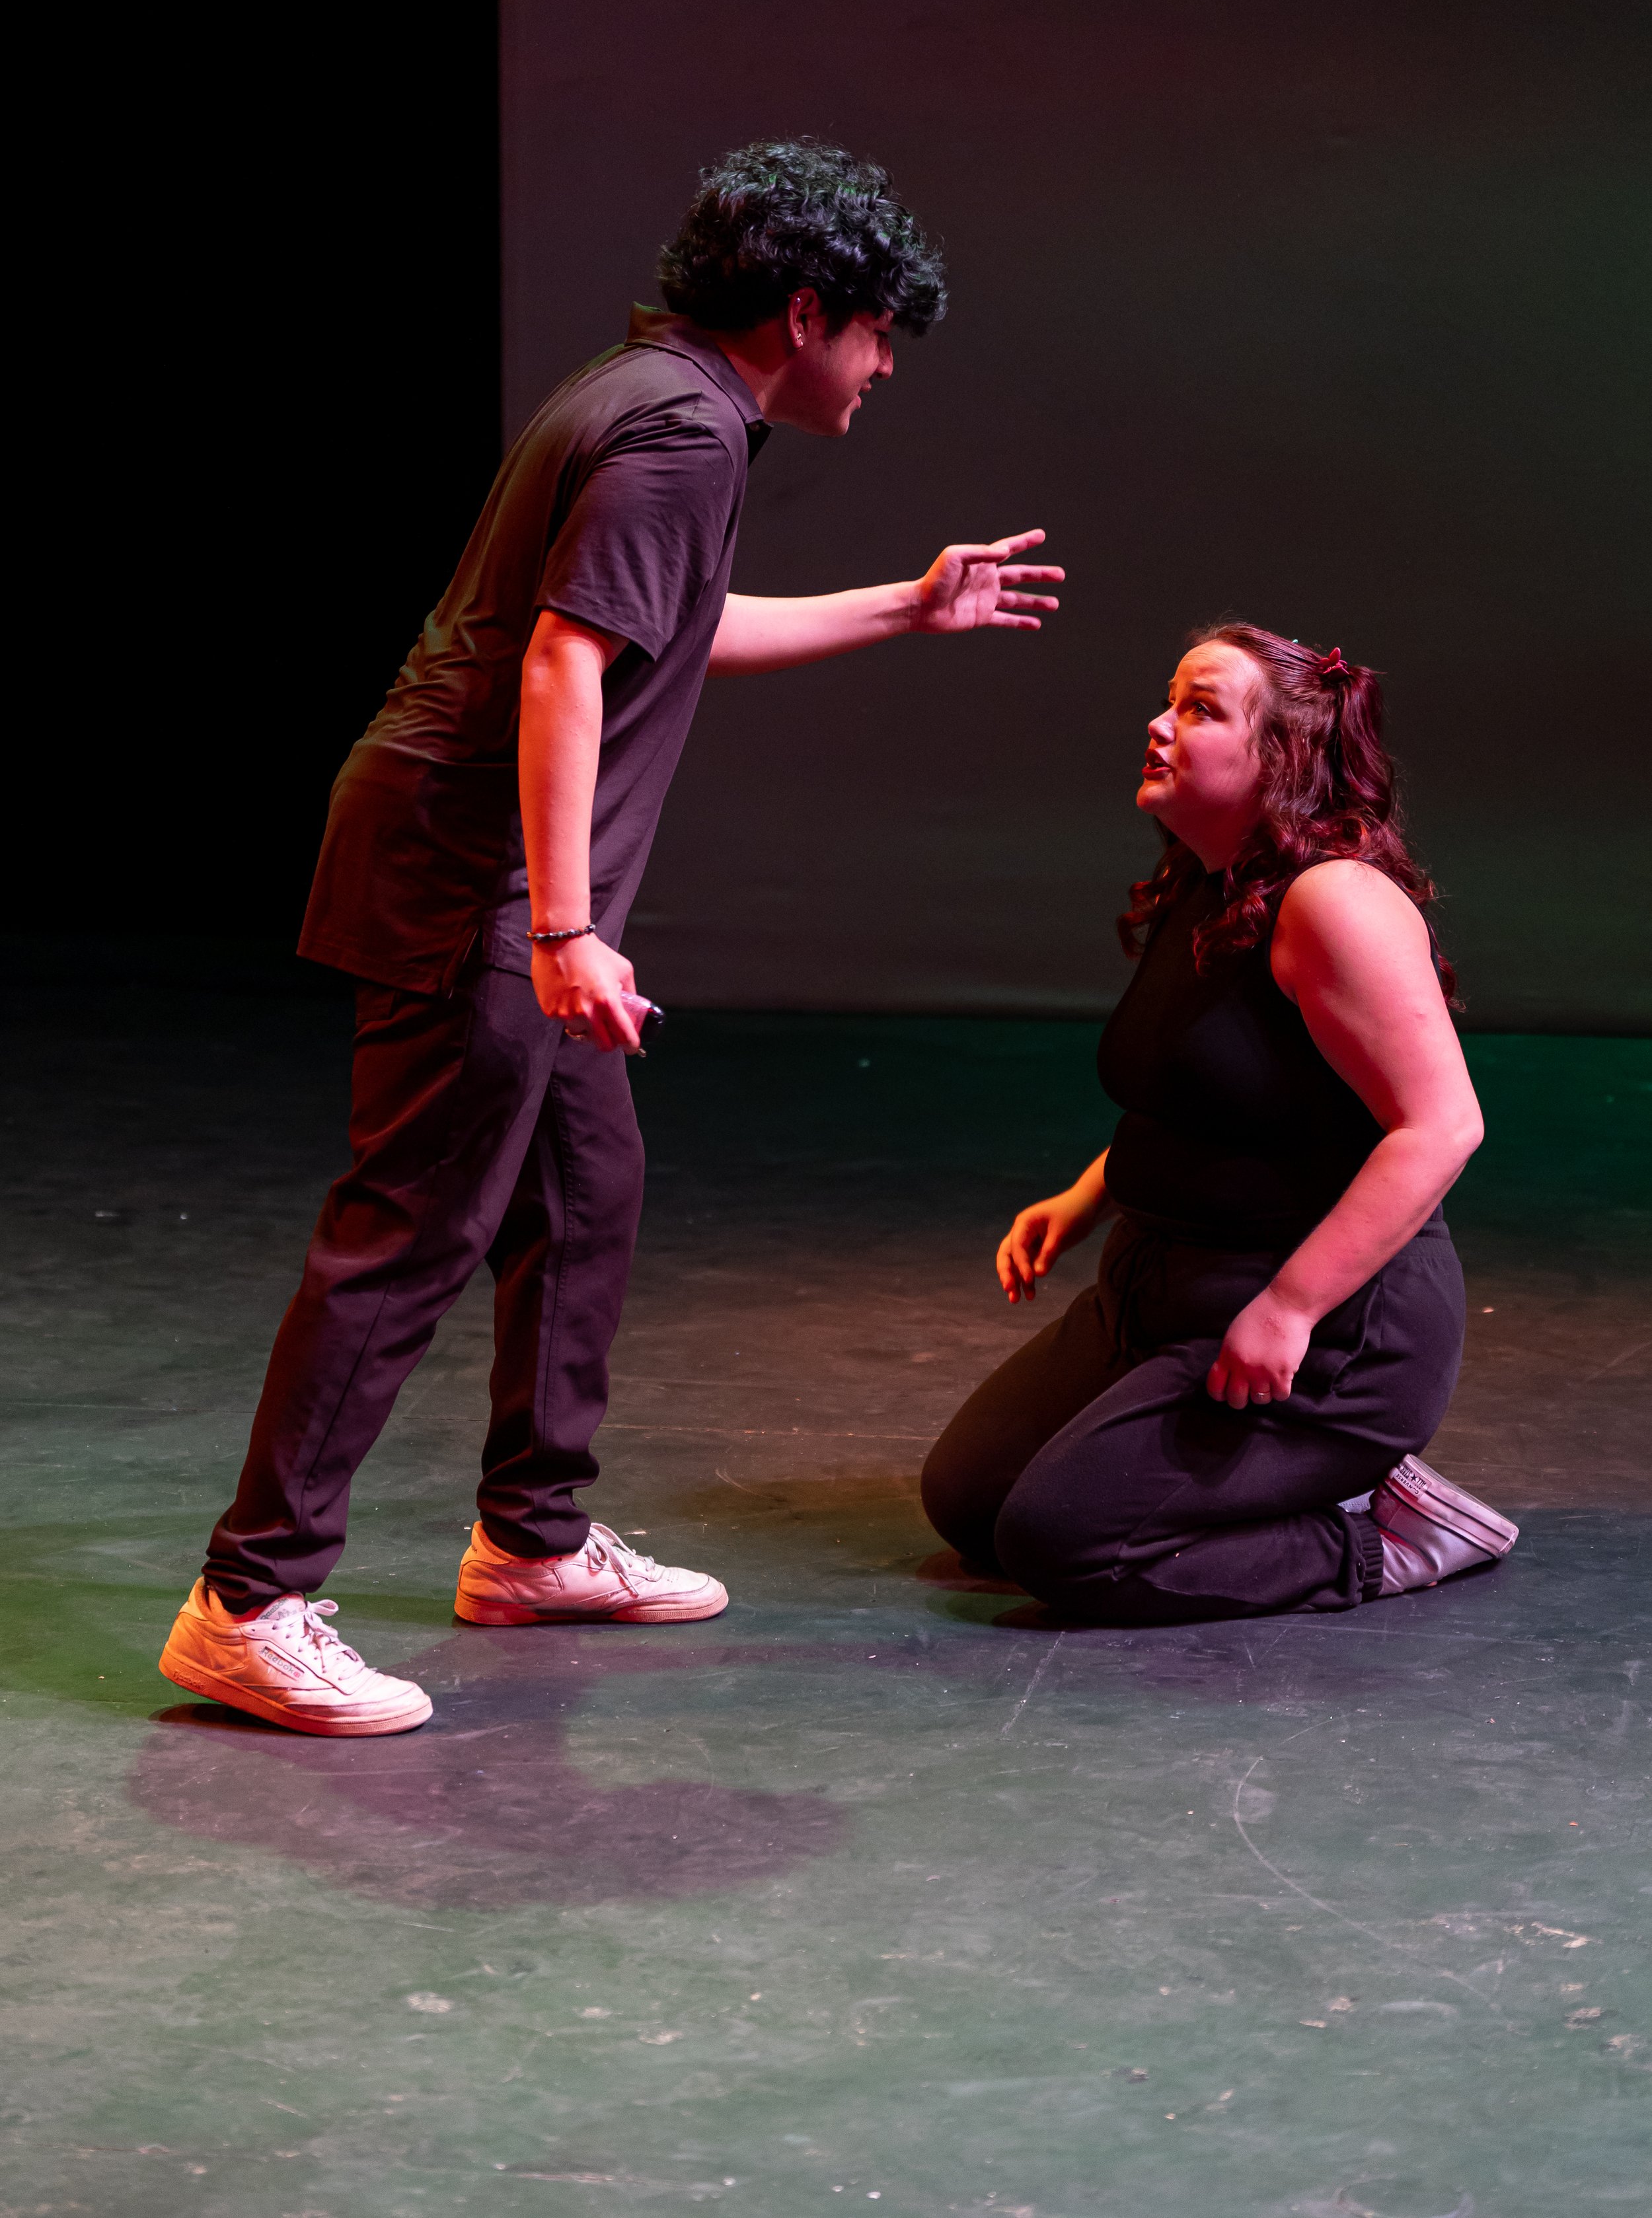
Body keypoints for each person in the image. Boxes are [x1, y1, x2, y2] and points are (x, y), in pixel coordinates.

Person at [160, 139, 1064, 1735]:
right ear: (804, 313)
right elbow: (567, 666)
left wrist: (905, 608)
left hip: (491, 873)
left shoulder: (653, 394)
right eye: (873, 341)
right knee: (411, 1231)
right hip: (474, 880)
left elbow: (666, 624)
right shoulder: (680, 432)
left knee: (586, 1189)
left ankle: (532, 1540)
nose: (875, 375)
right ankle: (251, 1599)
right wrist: (565, 927)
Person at [920, 623, 1518, 1624]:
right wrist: (1079, 1201)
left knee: (1062, 1544)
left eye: (1198, 709)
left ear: (1277, 756)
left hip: (1321, 1330)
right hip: (1159, 1290)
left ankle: (1386, 1531)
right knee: (970, 1500)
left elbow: (1443, 1126)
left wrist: (1289, 1307)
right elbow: (1210, 1097)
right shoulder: (1206, 884)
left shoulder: (1333, 903)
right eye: (1169, 700)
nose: (1158, 725)